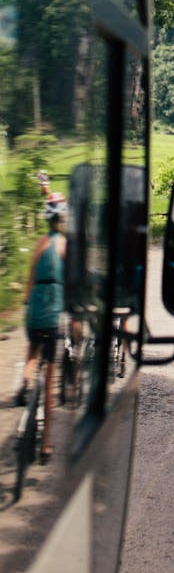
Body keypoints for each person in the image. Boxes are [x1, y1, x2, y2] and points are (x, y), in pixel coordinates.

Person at [15, 193, 67, 461]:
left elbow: (29, 284)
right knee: (50, 381)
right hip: (54, 314)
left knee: (32, 350)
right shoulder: (66, 246)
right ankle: (46, 445)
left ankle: (25, 381)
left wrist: (27, 300)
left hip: (35, 310)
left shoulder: (39, 243)